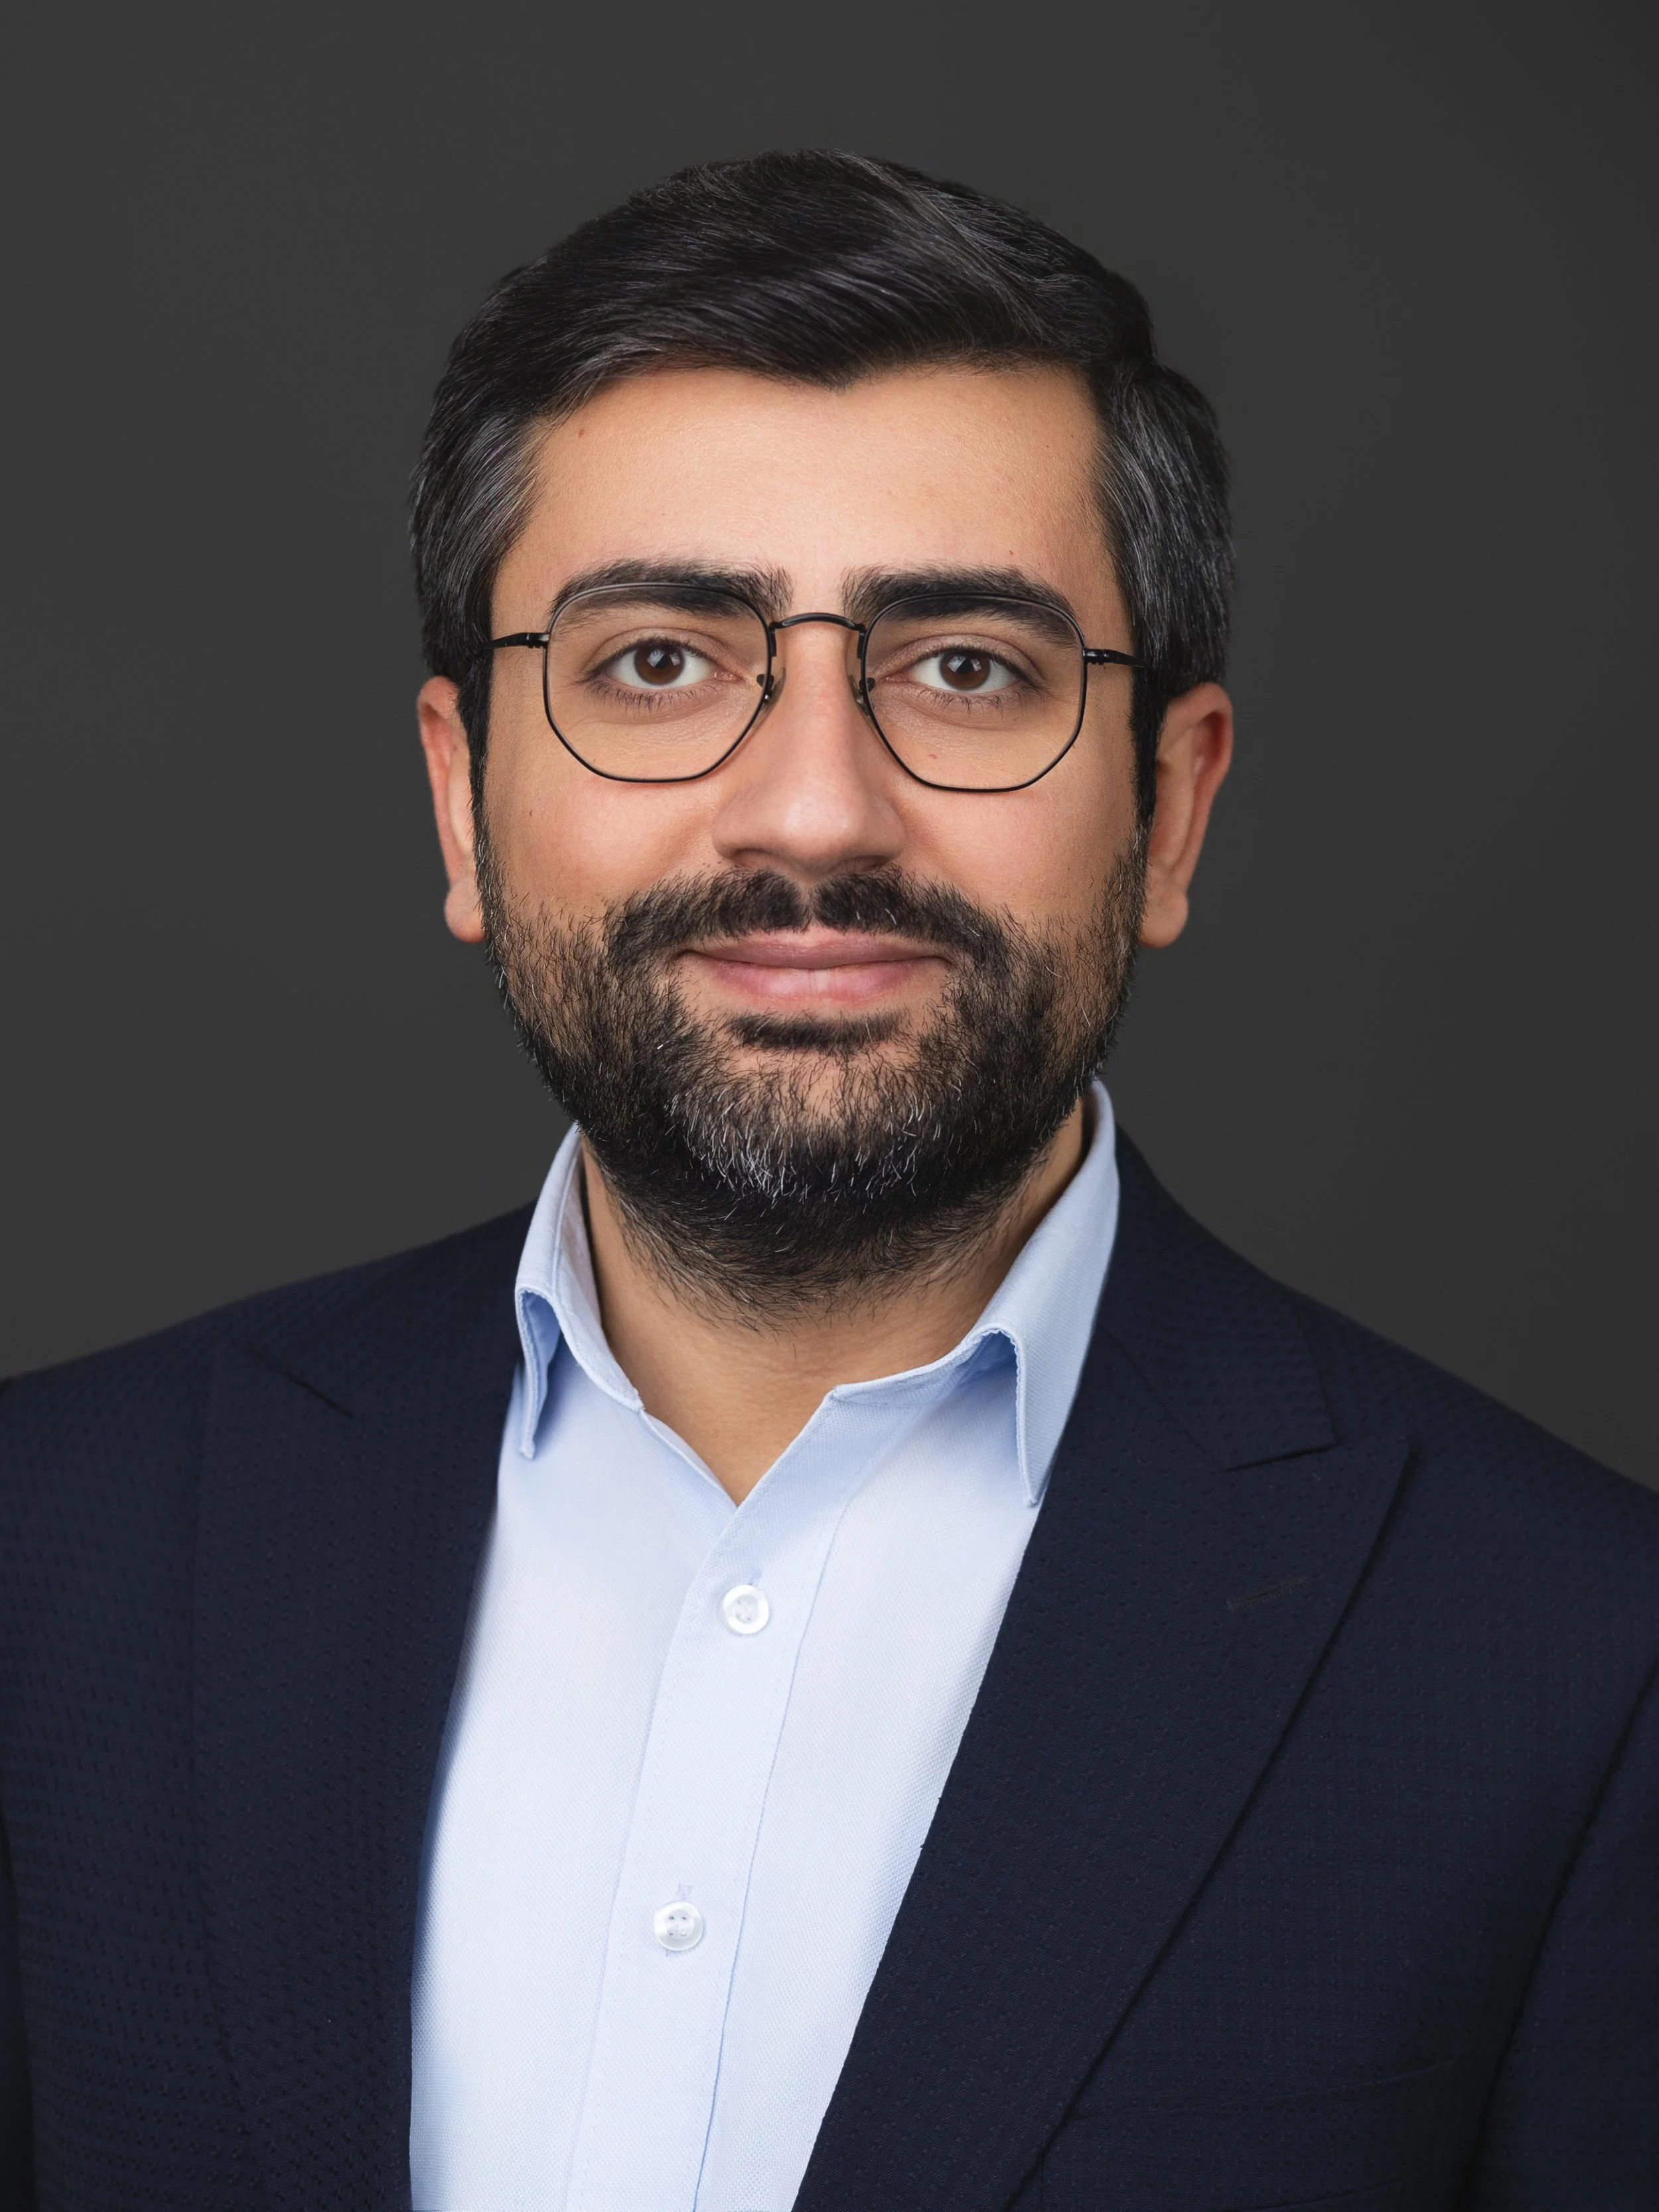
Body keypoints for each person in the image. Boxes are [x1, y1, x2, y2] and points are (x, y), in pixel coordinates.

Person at [1, 150, 1654, 2212]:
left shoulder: (1580, 1665)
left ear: (1167, 809)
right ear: (460, 797)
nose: (809, 811)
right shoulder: (46, 1553)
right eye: (657, 663)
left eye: (963, 665)